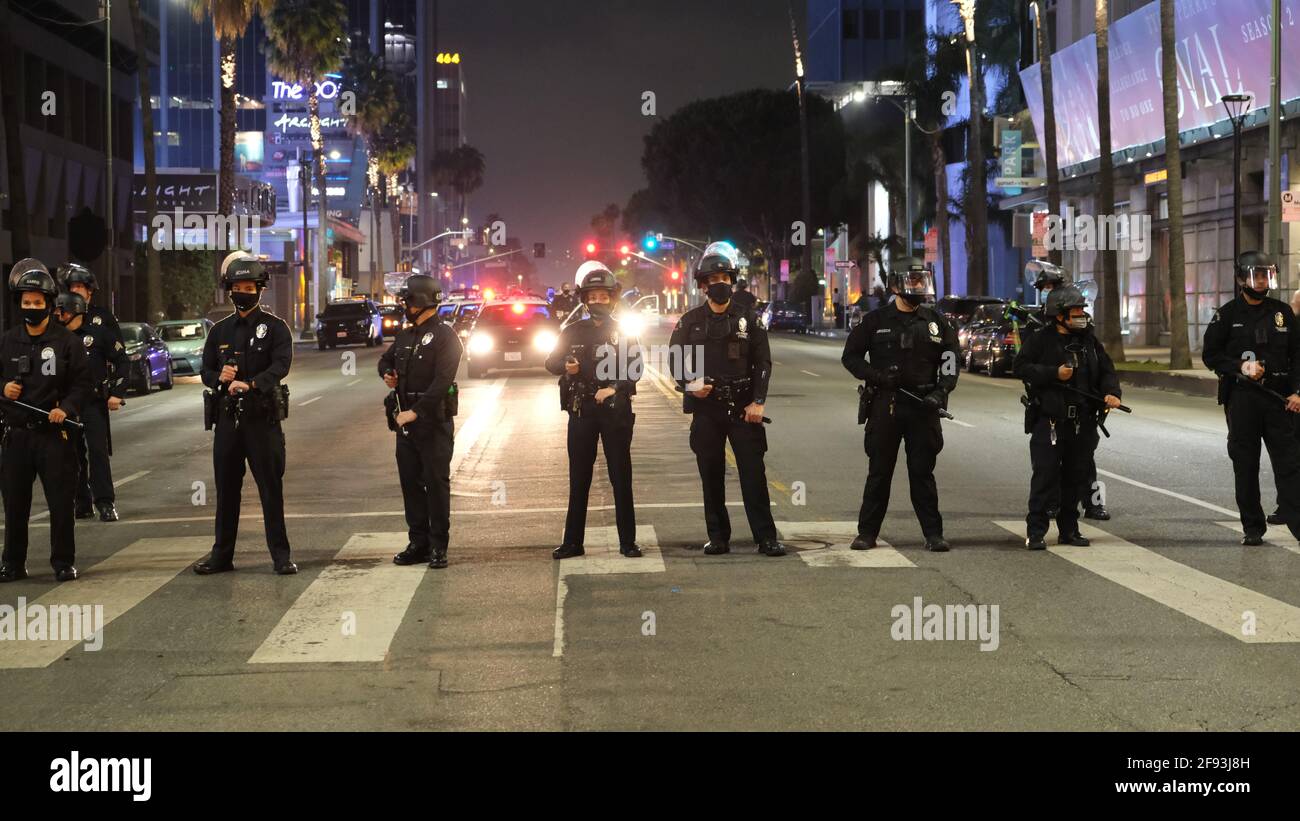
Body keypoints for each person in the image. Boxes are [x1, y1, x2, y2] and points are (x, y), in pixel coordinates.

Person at [668, 242, 786, 556]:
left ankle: (766, 537)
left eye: (725, 277)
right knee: (711, 473)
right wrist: (691, 386)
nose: (719, 283)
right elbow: (676, 363)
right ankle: (718, 537)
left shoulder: (750, 319)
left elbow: (763, 362)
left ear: (732, 280)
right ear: (703, 284)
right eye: (713, 278)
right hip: (707, 409)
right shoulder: (689, 322)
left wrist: (758, 402)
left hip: (743, 408)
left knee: (753, 475)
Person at [841, 258, 958, 552]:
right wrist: (877, 376)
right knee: (879, 473)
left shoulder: (936, 321)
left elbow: (950, 361)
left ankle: (933, 534)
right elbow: (851, 357)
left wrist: (941, 393)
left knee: (922, 474)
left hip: (924, 408)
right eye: (912, 280)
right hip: (886, 406)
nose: (917, 285)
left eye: (921, 280)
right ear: (896, 285)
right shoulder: (876, 321)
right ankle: (867, 533)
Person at [193, 252, 296, 575]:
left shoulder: (275, 328)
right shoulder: (219, 331)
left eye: (250, 286)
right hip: (227, 420)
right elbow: (206, 370)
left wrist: (252, 385)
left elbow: (281, 365)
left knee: (270, 489)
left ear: (260, 289)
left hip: (261, 419)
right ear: (229, 289)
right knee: (226, 491)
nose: (243, 292)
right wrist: (218, 378)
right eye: (238, 286)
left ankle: (280, 556)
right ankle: (222, 556)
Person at [0, 261, 93, 582]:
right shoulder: (8, 341)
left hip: (54, 435)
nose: (32, 308)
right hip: (17, 437)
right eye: (26, 302)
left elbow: (83, 383)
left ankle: (63, 562)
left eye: (38, 303)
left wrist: (66, 409)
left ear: (49, 304)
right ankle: (12, 563)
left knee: (61, 503)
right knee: (14, 504)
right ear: (19, 304)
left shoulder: (67, 342)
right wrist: (4, 388)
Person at [1202, 251, 1300, 545]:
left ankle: (1297, 523)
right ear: (1241, 278)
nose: (1261, 281)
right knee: (1246, 464)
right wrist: (1239, 367)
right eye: (1256, 275)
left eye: (1266, 274)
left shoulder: (1283, 313)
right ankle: (1253, 527)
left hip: (1279, 398)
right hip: (1243, 398)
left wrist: (1298, 391)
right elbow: (1211, 355)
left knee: (1290, 463)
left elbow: (1297, 356)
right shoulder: (1227, 314)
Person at [1015, 284, 1123, 550]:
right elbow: (1021, 367)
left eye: (1081, 311)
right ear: (1059, 314)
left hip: (1083, 423)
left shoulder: (1089, 341)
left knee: (1075, 478)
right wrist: (1054, 373)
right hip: (1050, 421)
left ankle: (1069, 530)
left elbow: (1107, 371)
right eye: (1075, 311)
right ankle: (1037, 531)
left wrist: (1112, 392)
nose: (1080, 315)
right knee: (1045, 477)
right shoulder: (1041, 339)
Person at [547, 262, 641, 559]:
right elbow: (550, 363)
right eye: (592, 296)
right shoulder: (572, 330)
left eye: (603, 296)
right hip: (582, 409)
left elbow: (636, 369)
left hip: (615, 410)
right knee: (579, 477)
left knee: (620, 475)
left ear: (612, 298)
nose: (597, 302)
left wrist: (613, 387)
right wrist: (567, 366)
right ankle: (573, 542)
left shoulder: (624, 331)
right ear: (584, 299)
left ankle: (628, 541)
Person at [380, 274, 462, 569]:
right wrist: (387, 373)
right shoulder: (405, 335)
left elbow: (443, 381)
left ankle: (439, 545)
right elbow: (385, 360)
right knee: (410, 484)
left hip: (432, 422)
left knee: (435, 483)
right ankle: (418, 542)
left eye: (407, 300)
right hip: (405, 423)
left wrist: (417, 411)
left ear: (421, 301)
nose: (403, 305)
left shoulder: (445, 337)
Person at [53, 291, 128, 522]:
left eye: (61, 310)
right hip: (66, 405)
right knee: (71, 455)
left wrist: (116, 393)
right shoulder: (55, 339)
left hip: (93, 402)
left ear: (74, 310)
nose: (57, 314)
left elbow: (122, 360)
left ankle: (105, 502)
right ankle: (82, 502)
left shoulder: (98, 335)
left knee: (97, 452)